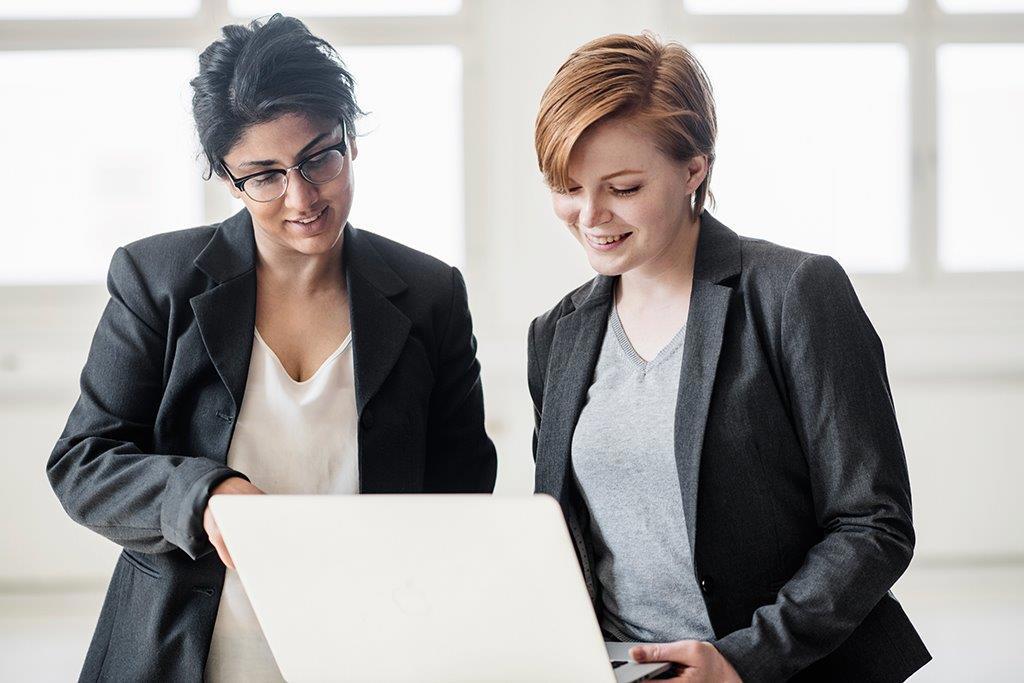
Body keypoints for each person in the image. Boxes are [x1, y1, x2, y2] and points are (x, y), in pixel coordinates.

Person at [46, 14, 496, 682]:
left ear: (349, 136)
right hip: (185, 653)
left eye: (320, 157)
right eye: (264, 174)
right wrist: (204, 494)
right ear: (227, 179)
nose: (302, 196)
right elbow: (83, 462)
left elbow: (461, 488)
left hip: (370, 650)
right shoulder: (158, 279)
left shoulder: (430, 294)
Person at [528, 33, 930, 682]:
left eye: (623, 187)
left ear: (695, 169)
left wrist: (743, 660)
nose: (590, 215)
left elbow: (872, 522)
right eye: (567, 187)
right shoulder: (558, 334)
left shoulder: (795, 295)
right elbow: (561, 539)